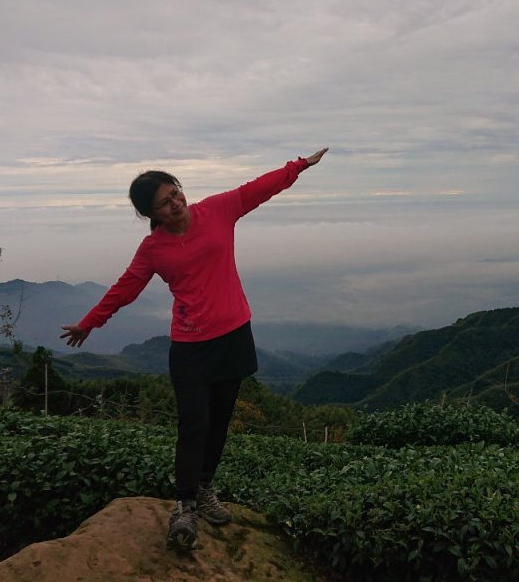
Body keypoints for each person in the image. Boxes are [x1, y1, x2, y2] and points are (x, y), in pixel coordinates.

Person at [60, 147, 328, 552]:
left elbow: (257, 189)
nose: (176, 202)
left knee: (219, 422)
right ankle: (184, 507)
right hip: (190, 346)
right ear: (152, 213)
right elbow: (125, 288)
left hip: (234, 335)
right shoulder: (153, 249)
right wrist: (89, 323)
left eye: (176, 192)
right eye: (165, 202)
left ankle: (204, 489)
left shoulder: (217, 210)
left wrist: (299, 167)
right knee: (193, 424)